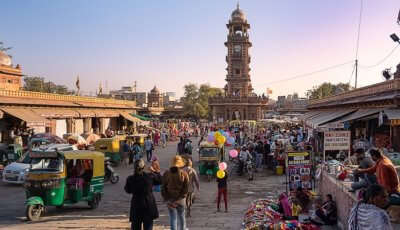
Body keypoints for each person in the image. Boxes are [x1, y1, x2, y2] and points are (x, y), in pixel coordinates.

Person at [124, 159, 162, 230]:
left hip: (136, 206)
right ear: (144, 167)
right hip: (148, 206)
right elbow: (160, 180)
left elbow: (127, 190)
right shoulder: (150, 177)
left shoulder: (130, 179)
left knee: (135, 227)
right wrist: (155, 171)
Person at [161, 156, 189, 230]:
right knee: (182, 216)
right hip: (181, 200)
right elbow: (185, 190)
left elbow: (163, 188)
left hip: (170, 199)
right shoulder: (184, 174)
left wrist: (168, 199)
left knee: (173, 218)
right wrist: (178, 200)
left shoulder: (166, 173)